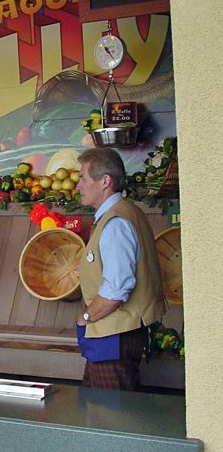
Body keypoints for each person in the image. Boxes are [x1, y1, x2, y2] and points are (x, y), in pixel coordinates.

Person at [75, 147, 166, 390]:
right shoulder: (126, 212)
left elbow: (116, 290)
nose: (78, 186)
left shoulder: (116, 223)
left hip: (114, 337)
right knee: (99, 412)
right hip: (112, 334)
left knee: (111, 416)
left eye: (82, 178)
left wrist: (86, 317)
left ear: (105, 181)